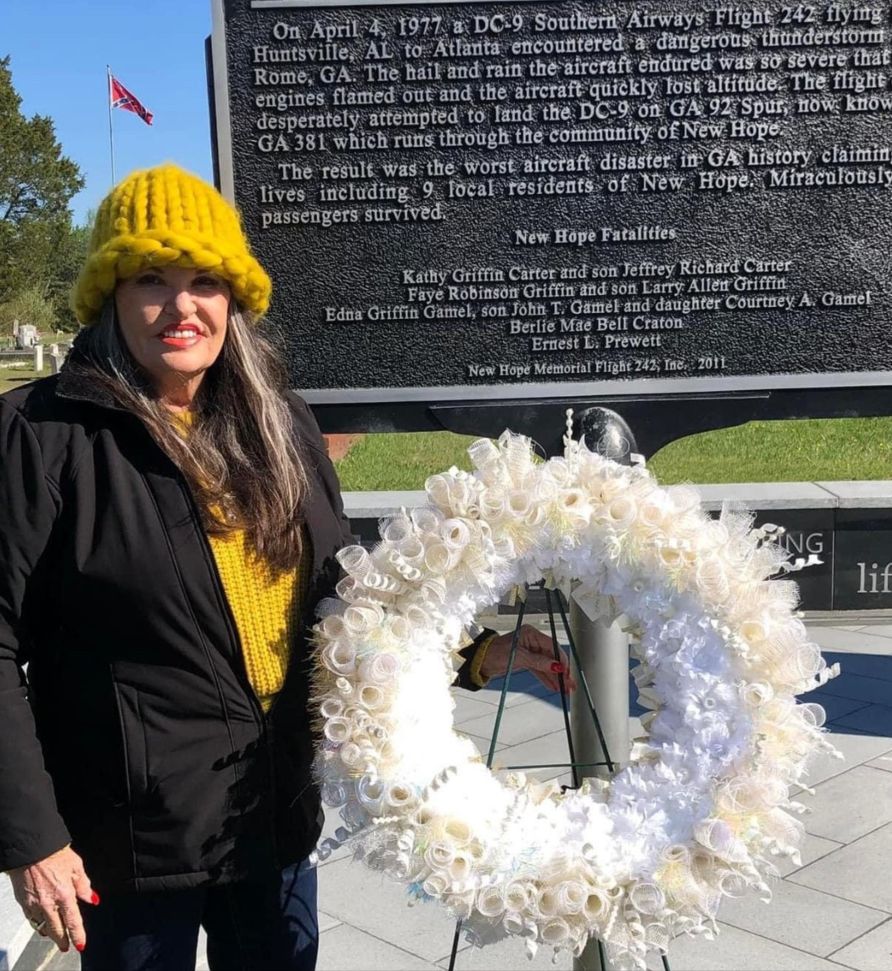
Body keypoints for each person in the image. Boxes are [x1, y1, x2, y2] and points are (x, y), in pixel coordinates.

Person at [0, 164, 571, 971]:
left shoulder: (282, 424)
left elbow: (341, 605)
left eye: (205, 281)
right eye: (151, 280)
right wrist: (33, 839)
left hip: (269, 814)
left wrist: (480, 656)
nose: (182, 306)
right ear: (109, 297)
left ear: (233, 298)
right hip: (128, 841)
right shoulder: (40, 434)